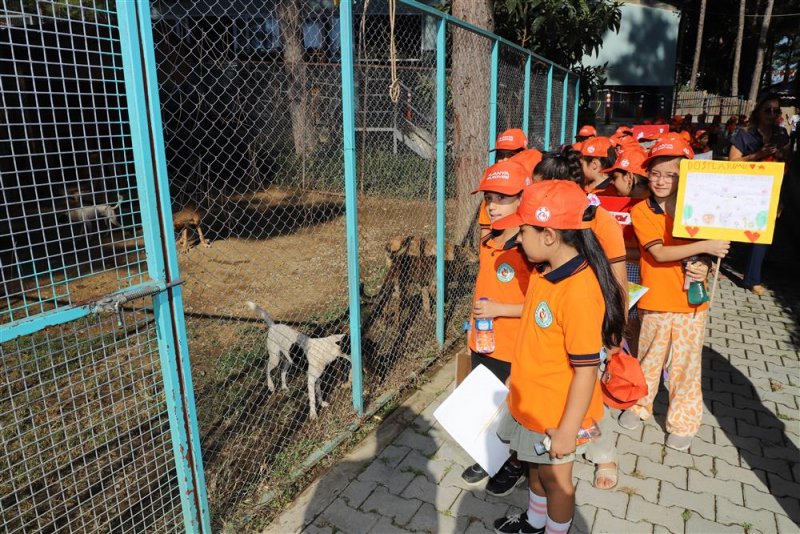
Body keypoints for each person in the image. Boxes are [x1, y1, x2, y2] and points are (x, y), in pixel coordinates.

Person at [491, 180, 626, 534]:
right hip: (533, 402)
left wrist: (567, 430)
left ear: (549, 234)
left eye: (523, 230)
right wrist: (517, 376)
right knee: (535, 473)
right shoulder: (544, 271)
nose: (518, 238)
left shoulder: (580, 292)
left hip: (557, 413)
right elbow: (536, 328)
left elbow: (585, 371)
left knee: (557, 482)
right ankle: (535, 523)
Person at [618, 137, 729, 451]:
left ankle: (683, 420)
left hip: (690, 302)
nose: (661, 180)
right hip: (655, 300)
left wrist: (707, 262)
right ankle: (639, 405)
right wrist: (705, 247)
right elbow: (659, 253)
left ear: (686, 176)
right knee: (649, 358)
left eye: (671, 174)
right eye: (655, 173)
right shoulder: (642, 211)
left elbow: (714, 249)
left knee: (685, 364)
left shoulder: (702, 209)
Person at [532, 149, 627, 491]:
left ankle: (604, 453)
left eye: (541, 190)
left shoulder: (600, 222)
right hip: (554, 325)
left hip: (591, 325)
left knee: (589, 395)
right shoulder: (538, 224)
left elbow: (617, 281)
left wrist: (615, 332)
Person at [461, 159, 532, 495]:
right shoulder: (490, 239)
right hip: (483, 339)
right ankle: (487, 456)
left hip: (511, 346)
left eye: (502, 197)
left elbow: (540, 305)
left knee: (513, 410)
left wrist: (499, 309)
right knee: (484, 405)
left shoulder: (530, 248)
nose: (492, 204)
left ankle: (517, 463)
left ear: (523, 197)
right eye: (489, 197)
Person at [728, 93, 790, 296]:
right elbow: (732, 163)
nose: (772, 114)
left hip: (770, 190)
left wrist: (782, 156)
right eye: (767, 110)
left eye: (775, 110)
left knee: (762, 233)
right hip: (744, 188)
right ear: (758, 111)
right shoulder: (744, 133)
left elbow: (786, 165)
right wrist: (758, 155)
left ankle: (752, 279)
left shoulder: (781, 134)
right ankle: (713, 263)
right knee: (729, 228)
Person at [478, 129, 531, 238]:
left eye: (511, 154)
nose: (504, 160)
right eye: (500, 155)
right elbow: (486, 229)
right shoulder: (492, 184)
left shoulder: (532, 183)